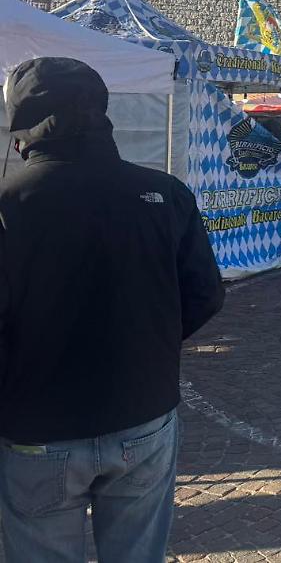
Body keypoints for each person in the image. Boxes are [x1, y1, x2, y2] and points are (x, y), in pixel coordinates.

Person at [0, 57, 224, 562]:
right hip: (143, 415)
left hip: (37, 425)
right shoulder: (166, 194)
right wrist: (146, 341)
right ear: (102, 112)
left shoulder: (9, 205)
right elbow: (205, 295)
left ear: (21, 124)